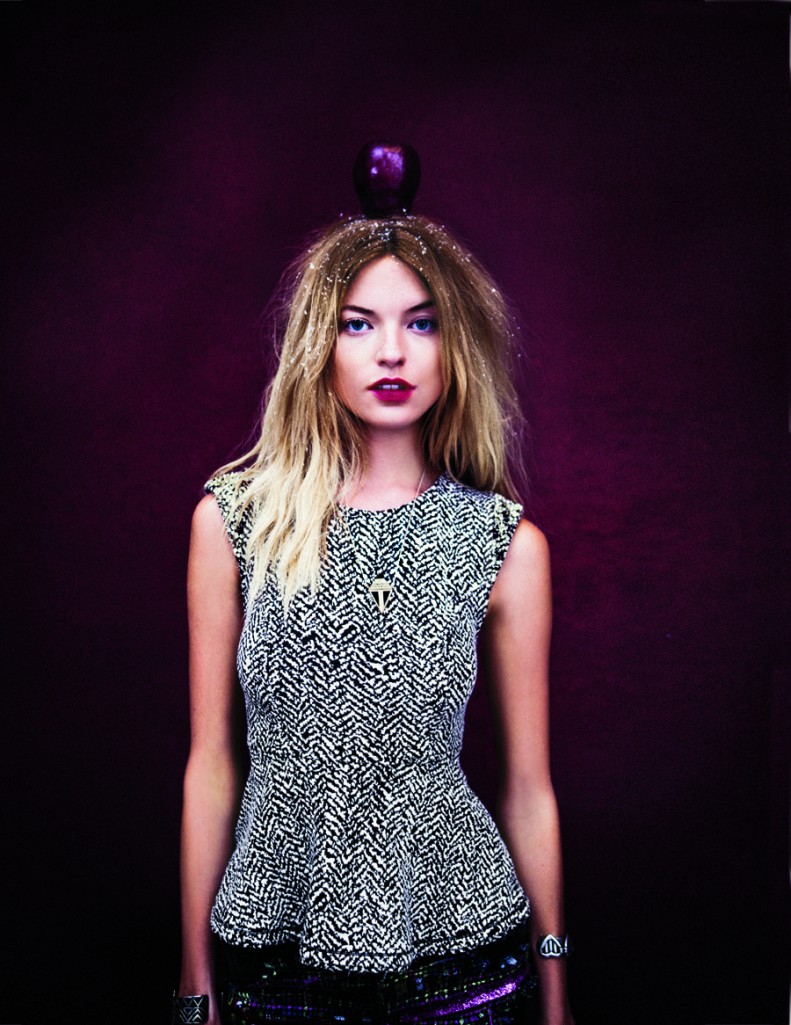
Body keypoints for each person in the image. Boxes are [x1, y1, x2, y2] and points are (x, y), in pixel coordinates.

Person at [174, 145, 575, 1025]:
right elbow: (211, 762)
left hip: (465, 961)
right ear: (318, 343)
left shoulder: (504, 543)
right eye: (358, 324)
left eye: (420, 324)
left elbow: (528, 786)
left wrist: (554, 986)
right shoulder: (235, 522)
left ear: (453, 344)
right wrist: (193, 978)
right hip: (271, 957)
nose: (391, 350)